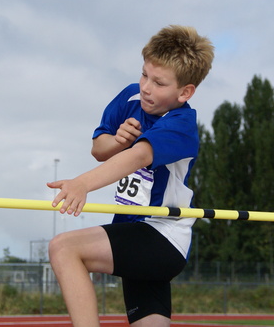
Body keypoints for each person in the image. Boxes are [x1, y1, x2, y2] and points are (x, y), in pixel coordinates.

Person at [47, 25, 214, 326]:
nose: (146, 87)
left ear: (185, 92)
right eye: (144, 74)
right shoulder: (130, 97)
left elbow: (139, 156)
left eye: (159, 83)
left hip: (161, 236)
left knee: (63, 247)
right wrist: (118, 141)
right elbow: (99, 148)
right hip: (131, 232)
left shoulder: (181, 123)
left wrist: (83, 183)